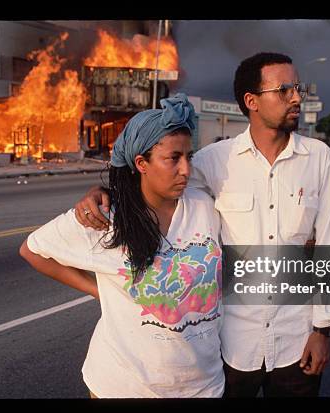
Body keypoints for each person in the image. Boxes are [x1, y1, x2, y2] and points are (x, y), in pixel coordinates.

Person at [75, 52, 330, 398]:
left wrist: (322, 332)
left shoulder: (320, 159)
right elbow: (155, 188)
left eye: (298, 89)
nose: (296, 97)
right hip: (230, 345)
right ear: (251, 101)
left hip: (296, 341)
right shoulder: (212, 162)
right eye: (284, 90)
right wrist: (104, 194)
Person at [20, 93, 224, 398]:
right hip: (124, 386)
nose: (186, 169)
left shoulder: (204, 204)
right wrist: (96, 289)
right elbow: (32, 250)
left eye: (189, 157)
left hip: (202, 387)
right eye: (173, 158)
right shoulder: (107, 219)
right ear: (141, 162)